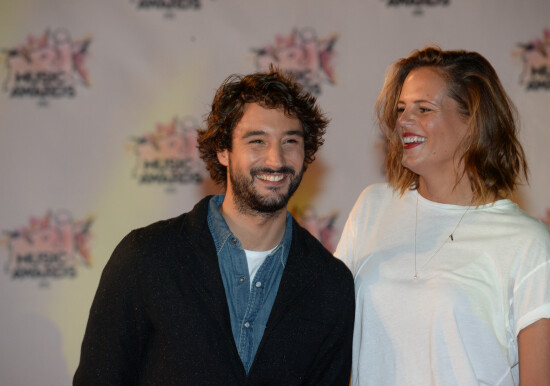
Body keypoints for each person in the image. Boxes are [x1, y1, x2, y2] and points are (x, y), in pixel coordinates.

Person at [74, 68, 355, 385]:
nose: (276, 160)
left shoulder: (331, 285)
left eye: (290, 140)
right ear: (223, 149)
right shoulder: (146, 258)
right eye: (257, 141)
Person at [335, 46, 550, 385]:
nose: (402, 120)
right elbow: (325, 329)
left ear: (473, 122)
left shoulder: (527, 243)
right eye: (401, 108)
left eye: (423, 108)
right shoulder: (372, 207)